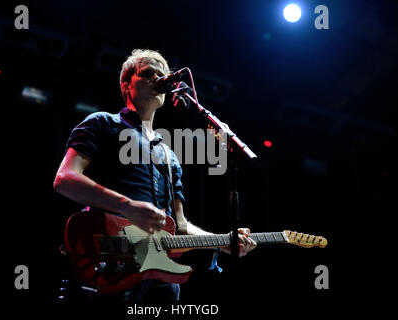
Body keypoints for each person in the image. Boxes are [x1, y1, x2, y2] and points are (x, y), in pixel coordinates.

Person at [53, 49, 256, 301]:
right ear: (127, 84)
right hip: (108, 264)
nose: (158, 79)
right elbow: (65, 179)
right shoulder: (103, 123)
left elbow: (179, 227)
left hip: (159, 282)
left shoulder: (169, 156)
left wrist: (222, 241)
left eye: (163, 75)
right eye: (149, 73)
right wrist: (127, 206)